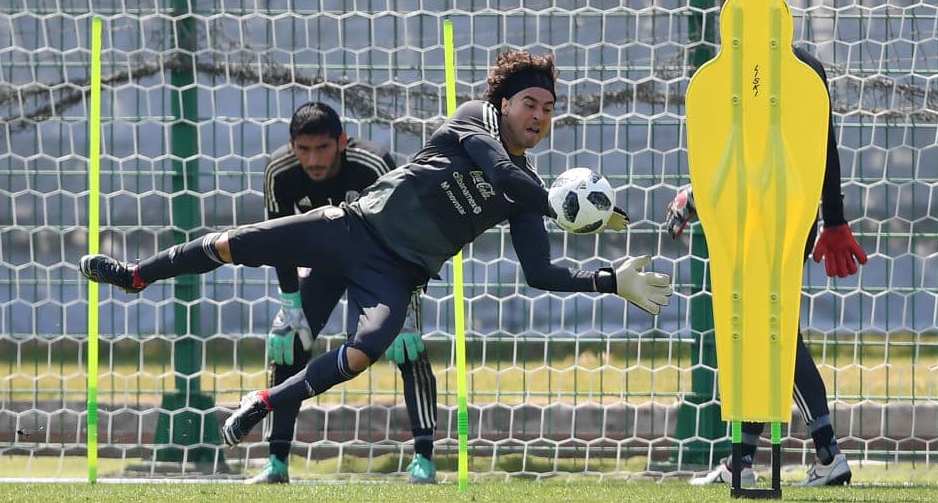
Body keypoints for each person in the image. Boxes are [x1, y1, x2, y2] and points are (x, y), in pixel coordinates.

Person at [79, 48, 673, 480]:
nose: (540, 115)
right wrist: (557, 203)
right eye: (530, 102)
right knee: (237, 243)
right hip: (351, 229)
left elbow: (539, 274)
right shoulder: (476, 121)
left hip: (397, 275)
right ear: (503, 102)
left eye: (548, 107)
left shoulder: (526, 192)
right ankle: (135, 276)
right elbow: (496, 168)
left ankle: (262, 405)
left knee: (366, 350)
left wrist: (609, 279)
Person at [666, 0, 868, 488]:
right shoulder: (723, 76)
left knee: (769, 332)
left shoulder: (799, 69)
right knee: (758, 331)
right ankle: (747, 461)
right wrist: (697, 194)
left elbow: (819, 150)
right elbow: (726, 150)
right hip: (747, 218)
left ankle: (825, 453)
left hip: (779, 221)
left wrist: (834, 220)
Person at [249, 102, 439, 485]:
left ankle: (424, 457)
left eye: (322, 148)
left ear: (342, 142)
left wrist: (409, 310)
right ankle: (276, 461)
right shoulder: (279, 173)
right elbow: (277, 242)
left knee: (409, 348)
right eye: (303, 149)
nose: (313, 159)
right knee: (289, 344)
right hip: (324, 264)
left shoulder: (373, 165)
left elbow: (408, 236)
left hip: (380, 265)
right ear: (291, 145)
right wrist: (290, 306)